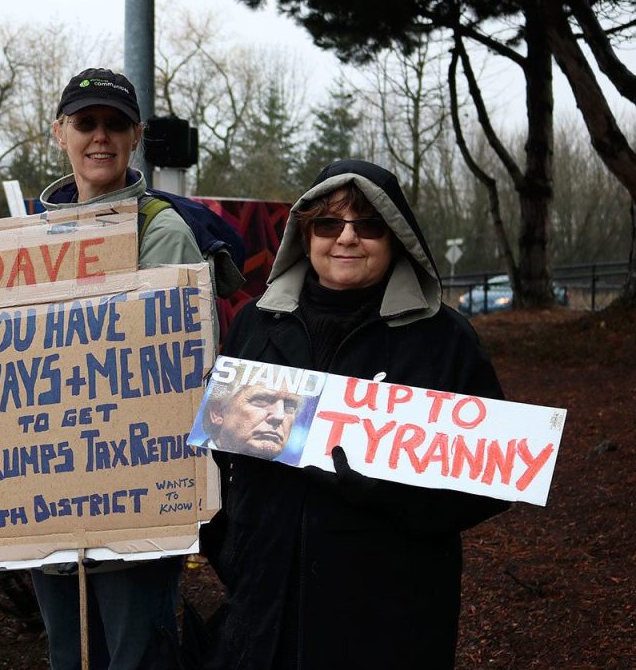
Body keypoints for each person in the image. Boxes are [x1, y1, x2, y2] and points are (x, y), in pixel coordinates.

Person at [202, 159, 509, 669]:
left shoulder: (443, 338)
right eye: (329, 224)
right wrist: (228, 547)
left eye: (368, 225)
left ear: (395, 238)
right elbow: (215, 447)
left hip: (387, 614)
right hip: (262, 607)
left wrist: (392, 491)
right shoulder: (256, 323)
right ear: (306, 233)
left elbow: (491, 476)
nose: (346, 239)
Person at [31, 68, 206, 670]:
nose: (98, 138)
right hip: (45, 502)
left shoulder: (163, 232)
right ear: (59, 132)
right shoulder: (25, 243)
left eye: (114, 124)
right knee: (68, 655)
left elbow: (177, 370)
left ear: (136, 137)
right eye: (85, 123)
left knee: (134, 659)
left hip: (135, 506)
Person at [199, 364, 300, 459]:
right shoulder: (196, 463)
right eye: (261, 400)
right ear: (218, 412)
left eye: (289, 406)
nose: (279, 416)